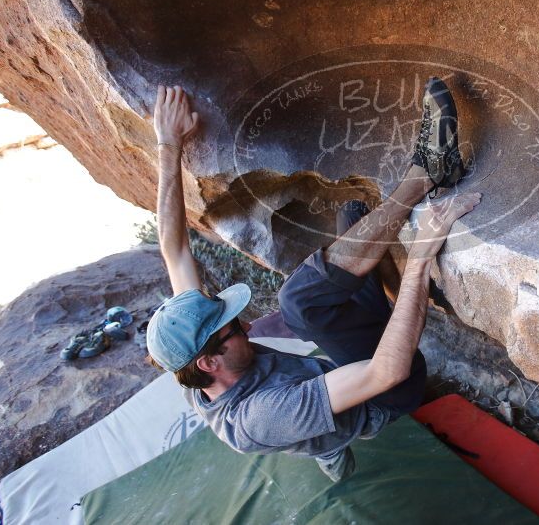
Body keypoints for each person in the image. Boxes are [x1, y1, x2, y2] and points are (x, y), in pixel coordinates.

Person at [146, 78, 481, 481]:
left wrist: (168, 142)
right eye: (235, 327)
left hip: (325, 383)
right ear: (210, 362)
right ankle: (428, 171)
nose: (248, 325)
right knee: (300, 305)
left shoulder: (189, 354)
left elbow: (174, 249)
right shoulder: (262, 418)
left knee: (353, 218)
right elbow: (384, 373)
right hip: (388, 392)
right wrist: (421, 257)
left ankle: (328, 447)